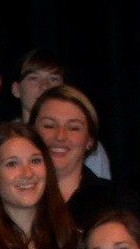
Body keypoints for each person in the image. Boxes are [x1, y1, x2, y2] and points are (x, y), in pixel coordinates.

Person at [29, 84, 138, 227]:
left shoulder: (116, 202)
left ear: (90, 140)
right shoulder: (11, 198)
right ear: (31, 132)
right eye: (49, 125)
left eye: (74, 128)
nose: (60, 136)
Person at [7, 50, 110, 178]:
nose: (44, 86)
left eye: (53, 78)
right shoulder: (6, 139)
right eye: (34, 78)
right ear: (16, 89)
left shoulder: (83, 144)